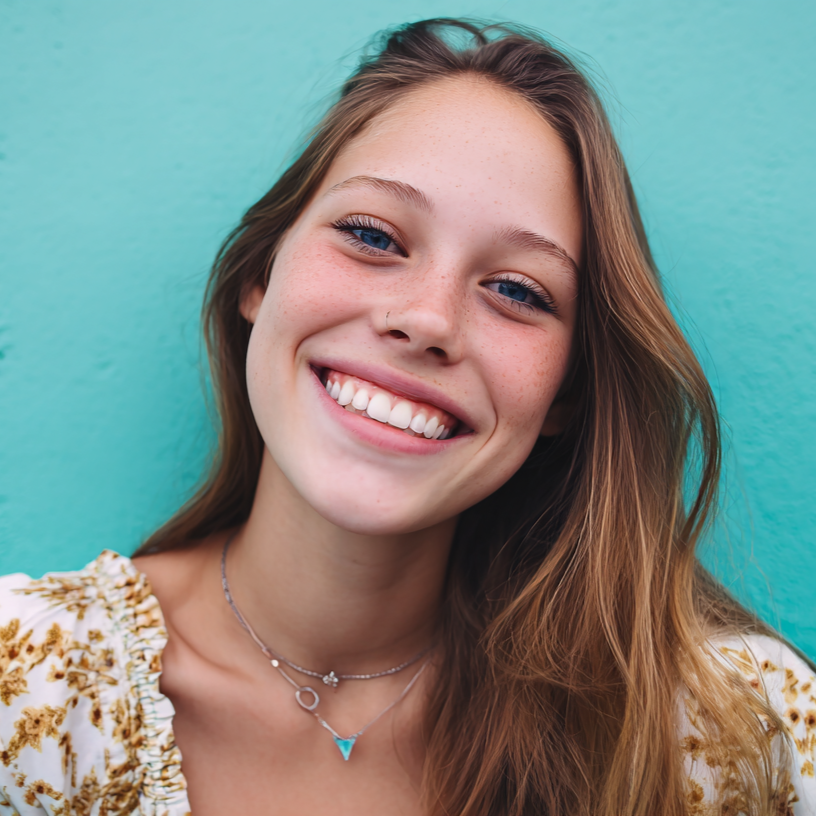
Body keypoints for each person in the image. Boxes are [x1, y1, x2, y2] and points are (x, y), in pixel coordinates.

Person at [0, 17, 813, 816]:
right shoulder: (26, 691)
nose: (426, 321)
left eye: (518, 291)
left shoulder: (728, 735)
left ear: (566, 392)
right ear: (260, 275)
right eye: (371, 235)